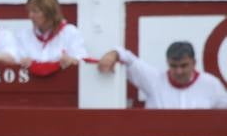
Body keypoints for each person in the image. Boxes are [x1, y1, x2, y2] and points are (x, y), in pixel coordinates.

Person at [97, 40, 227, 110]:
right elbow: (128, 58)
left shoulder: (211, 84)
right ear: (167, 63)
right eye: (173, 66)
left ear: (194, 63)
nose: (178, 71)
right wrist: (112, 54)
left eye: (184, 66)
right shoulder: (154, 80)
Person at [16, 0, 84, 76]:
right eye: (29, 11)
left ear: (50, 13)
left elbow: (82, 61)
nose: (30, 15)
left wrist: (72, 61)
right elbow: (16, 62)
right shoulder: (24, 35)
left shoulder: (70, 32)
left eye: (35, 11)